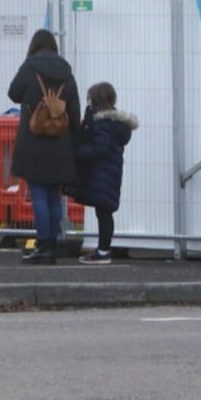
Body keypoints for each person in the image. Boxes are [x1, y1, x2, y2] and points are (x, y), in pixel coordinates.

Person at [5, 29, 81, 265]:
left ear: (34, 46)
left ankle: (43, 245)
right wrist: (74, 143)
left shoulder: (29, 67)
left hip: (34, 141)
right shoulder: (67, 71)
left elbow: (13, 93)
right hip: (60, 142)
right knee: (53, 195)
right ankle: (53, 245)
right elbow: (75, 111)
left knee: (38, 193)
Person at [70, 83, 136, 266]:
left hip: (101, 172)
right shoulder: (116, 122)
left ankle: (103, 252)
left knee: (104, 212)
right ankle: (103, 249)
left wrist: (77, 152)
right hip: (111, 172)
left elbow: (99, 147)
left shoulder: (102, 122)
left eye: (90, 98)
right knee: (105, 212)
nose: (88, 102)